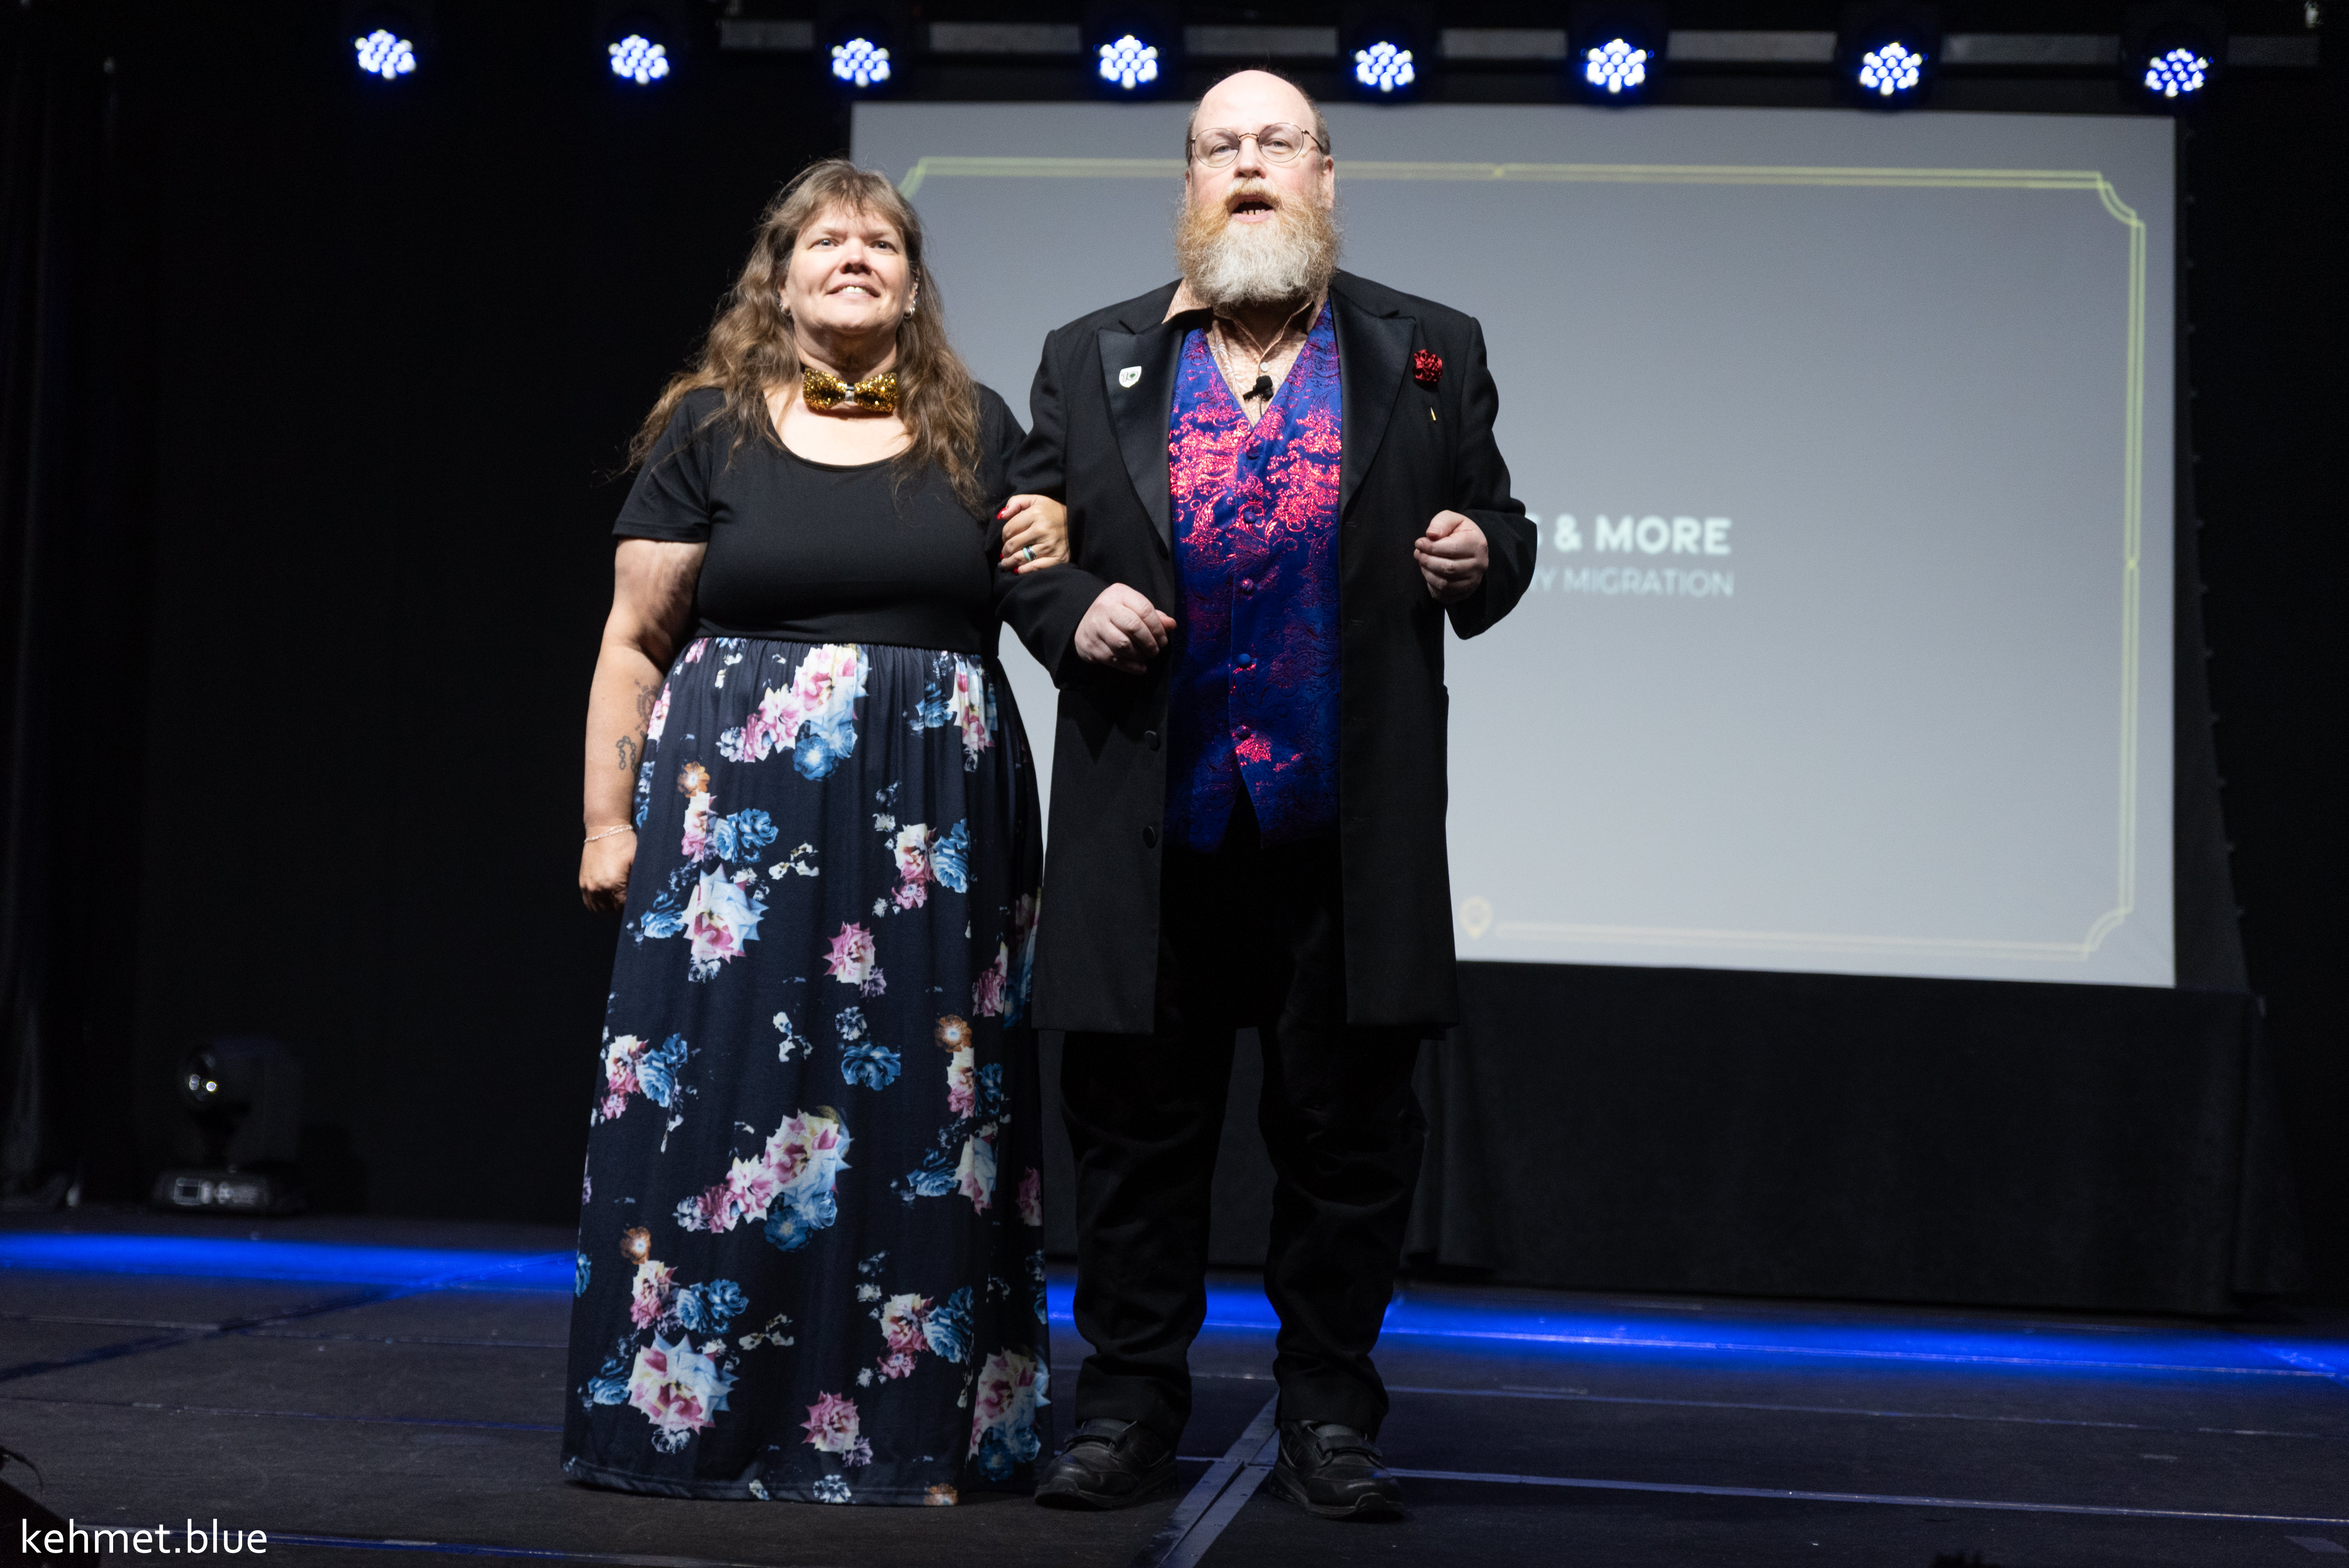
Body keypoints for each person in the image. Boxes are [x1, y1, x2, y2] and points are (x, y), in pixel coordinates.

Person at [996, 71, 1536, 1520]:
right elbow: (1027, 546)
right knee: (1133, 1145)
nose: (1249, 165)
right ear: (1188, 183)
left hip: (1339, 836)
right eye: (1220, 147)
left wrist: (1481, 555)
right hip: (1151, 828)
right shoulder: (1089, 354)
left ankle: (1330, 1417)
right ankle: (1123, 1411)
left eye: (1276, 144)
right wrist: (1070, 609)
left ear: (1324, 178)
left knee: (1347, 1146)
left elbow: (1500, 520)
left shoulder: (1427, 346)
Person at [562, 159, 1069, 1506]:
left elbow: (1048, 593)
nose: (856, 256)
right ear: (777, 279)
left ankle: (912, 1432)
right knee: (720, 1100)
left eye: (882, 241)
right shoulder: (709, 427)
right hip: (737, 825)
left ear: (912, 282)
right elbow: (634, 641)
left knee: (924, 1113)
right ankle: (693, 1426)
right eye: (827, 240)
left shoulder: (977, 429)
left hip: (931, 830)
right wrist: (607, 821)